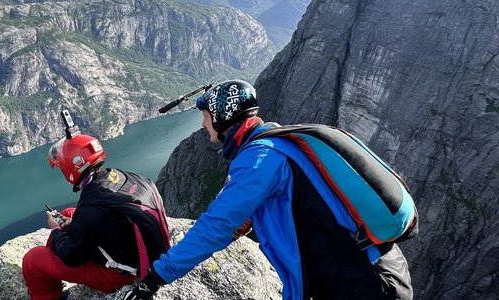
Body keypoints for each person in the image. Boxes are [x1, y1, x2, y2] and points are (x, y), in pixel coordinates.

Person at [123, 80, 414, 300]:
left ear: (223, 115)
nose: (203, 124)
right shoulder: (276, 143)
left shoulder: (260, 159)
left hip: (362, 282)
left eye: (206, 116)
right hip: (370, 268)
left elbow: (217, 226)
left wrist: (157, 276)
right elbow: (243, 219)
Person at [22, 117, 171, 300]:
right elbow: (100, 220)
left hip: (117, 275)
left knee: (33, 260)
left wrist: (56, 230)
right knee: (69, 213)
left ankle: (49, 295)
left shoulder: (91, 208)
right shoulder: (119, 176)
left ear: (72, 169)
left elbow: (70, 255)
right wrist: (74, 225)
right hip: (135, 254)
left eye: (63, 168)